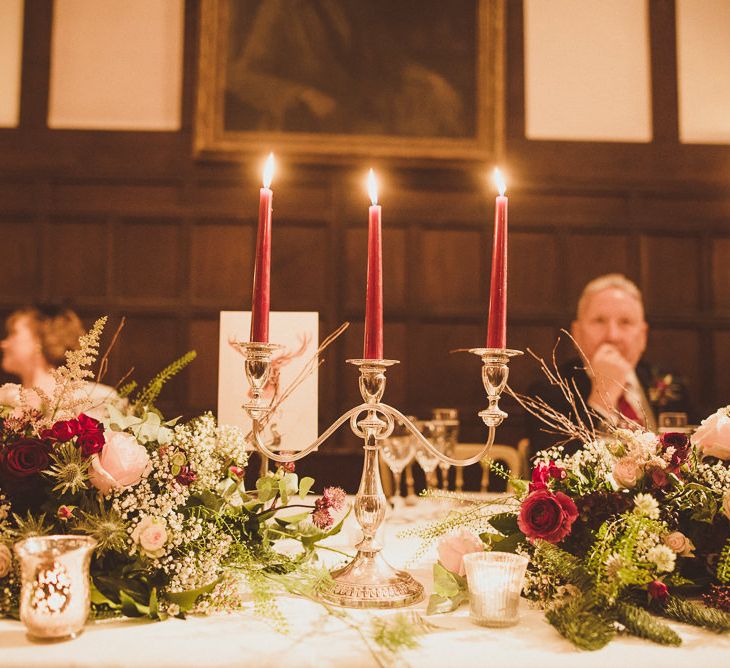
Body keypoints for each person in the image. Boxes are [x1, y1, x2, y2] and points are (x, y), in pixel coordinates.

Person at [526, 274, 690, 460]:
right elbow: (552, 469)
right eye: (599, 321)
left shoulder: (670, 383)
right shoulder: (548, 391)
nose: (612, 335)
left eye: (625, 322)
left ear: (642, 336)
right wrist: (603, 397)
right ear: (576, 333)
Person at [0, 305, 118, 419]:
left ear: (39, 340)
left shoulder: (92, 398)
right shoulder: (5, 399)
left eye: (13, 334)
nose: (3, 344)